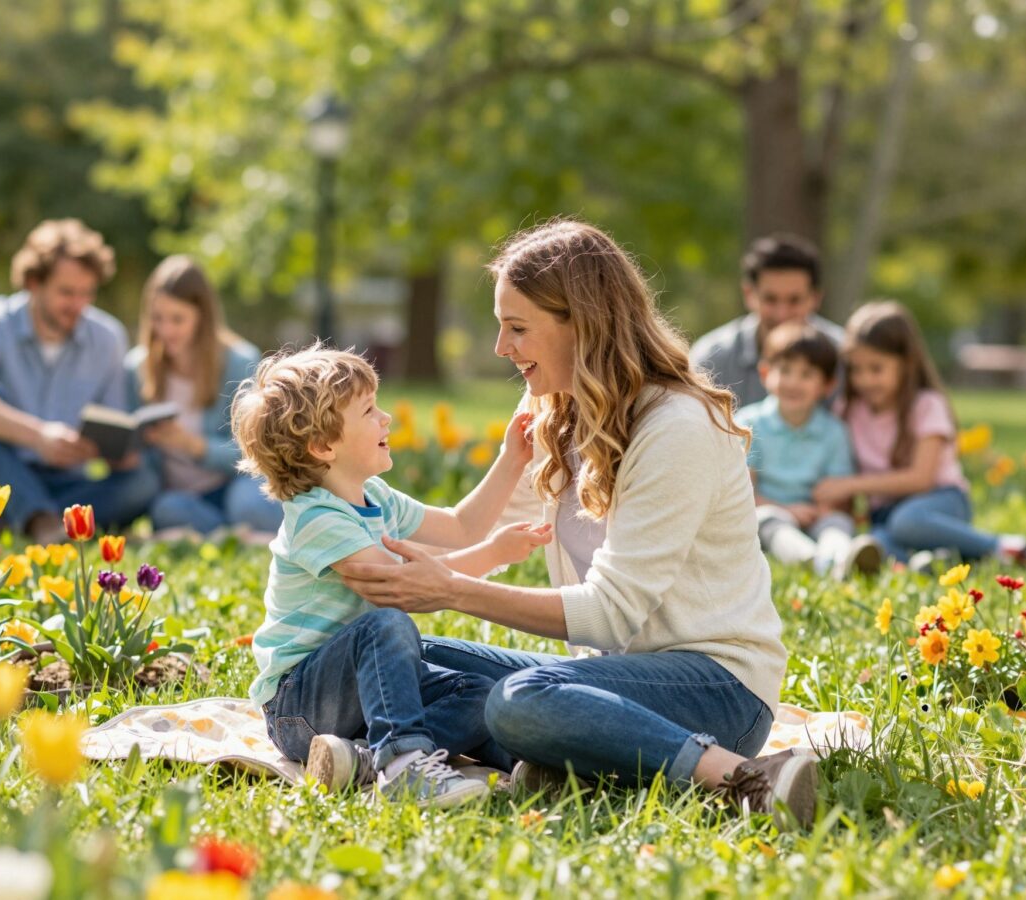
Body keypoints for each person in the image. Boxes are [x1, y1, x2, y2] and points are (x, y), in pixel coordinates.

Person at [337, 220, 818, 830]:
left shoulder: (677, 427)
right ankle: (564, 761)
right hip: (605, 678)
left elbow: (612, 612)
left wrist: (452, 591)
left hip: (714, 686)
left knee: (521, 700)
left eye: (517, 328)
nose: (500, 348)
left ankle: (742, 777)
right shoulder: (554, 409)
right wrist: (351, 529)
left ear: (583, 324)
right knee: (409, 659)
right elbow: (485, 533)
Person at [231, 345, 552, 807]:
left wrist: (512, 459)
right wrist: (492, 555)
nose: (386, 419)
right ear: (323, 446)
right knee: (387, 624)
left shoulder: (375, 496)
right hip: (299, 707)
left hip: (365, 698)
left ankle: (368, 759)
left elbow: (461, 527)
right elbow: (400, 588)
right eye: (368, 410)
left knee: (477, 691)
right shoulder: (314, 518)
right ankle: (402, 764)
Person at [0, 219, 158, 542]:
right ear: (33, 283)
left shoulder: (107, 337)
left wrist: (112, 448)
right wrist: (38, 436)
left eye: (87, 293)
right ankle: (39, 522)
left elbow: (112, 425)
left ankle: (13, 520)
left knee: (142, 482)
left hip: (65, 480)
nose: (78, 305)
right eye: (66, 292)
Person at [813, 301, 1026, 565]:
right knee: (877, 545)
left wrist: (851, 486)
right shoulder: (849, 409)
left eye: (876, 368)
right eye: (855, 369)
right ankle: (934, 560)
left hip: (941, 502)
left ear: (906, 364)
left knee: (906, 522)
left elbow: (922, 478)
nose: (864, 380)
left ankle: (1005, 548)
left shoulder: (926, 406)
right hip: (885, 513)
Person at [125, 255, 282, 535]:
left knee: (247, 505)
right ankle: (234, 535)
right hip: (183, 497)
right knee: (166, 509)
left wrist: (194, 445)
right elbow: (140, 454)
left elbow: (256, 451)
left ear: (202, 317)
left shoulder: (239, 361)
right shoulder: (137, 367)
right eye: (158, 319)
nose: (166, 331)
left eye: (178, 319)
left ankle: (231, 531)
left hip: (235, 482)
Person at [736, 322, 881, 578]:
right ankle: (814, 560)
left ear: (827, 385)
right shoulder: (749, 424)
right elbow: (742, 493)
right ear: (765, 373)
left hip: (815, 513)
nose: (794, 382)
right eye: (785, 370)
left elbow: (836, 489)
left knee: (837, 524)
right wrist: (787, 510)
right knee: (766, 520)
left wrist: (825, 509)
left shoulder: (833, 431)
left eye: (806, 374)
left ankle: (840, 558)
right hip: (768, 509)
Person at [690, 233, 845, 408]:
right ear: (749, 294)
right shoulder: (712, 359)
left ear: (816, 298)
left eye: (794, 300)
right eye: (770, 299)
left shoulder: (844, 355)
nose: (782, 314)